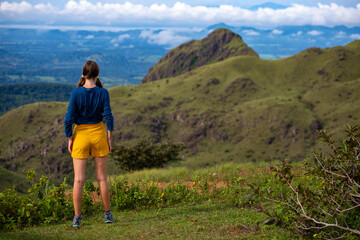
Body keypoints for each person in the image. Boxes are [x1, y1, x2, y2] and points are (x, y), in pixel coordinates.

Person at [64, 60, 114, 227]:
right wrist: (109, 139)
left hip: (81, 136)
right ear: (97, 74)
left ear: (83, 74)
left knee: (78, 180)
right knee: (102, 179)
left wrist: (70, 139)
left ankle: (77, 218)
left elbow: (69, 119)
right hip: (99, 134)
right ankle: (107, 215)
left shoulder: (76, 93)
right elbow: (109, 117)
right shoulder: (103, 92)